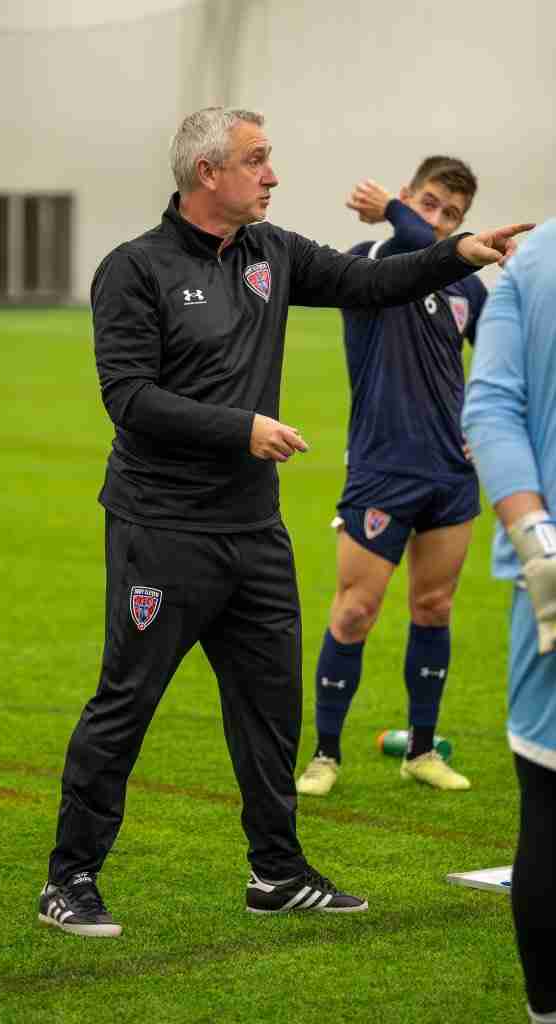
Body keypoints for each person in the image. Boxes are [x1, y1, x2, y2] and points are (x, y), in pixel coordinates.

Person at [37, 106, 529, 937]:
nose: (273, 175)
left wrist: (451, 255)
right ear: (208, 175)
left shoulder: (274, 253)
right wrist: (243, 428)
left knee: (270, 707)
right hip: (163, 529)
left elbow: (369, 282)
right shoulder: (135, 269)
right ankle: (69, 878)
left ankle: (276, 872)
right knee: (127, 701)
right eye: (258, 160)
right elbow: (129, 398)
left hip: (253, 533)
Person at [297, 157, 487, 798]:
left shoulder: (468, 286)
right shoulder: (367, 261)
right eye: (429, 204)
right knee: (355, 613)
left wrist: (481, 427)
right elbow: (414, 245)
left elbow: (498, 358)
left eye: (453, 215)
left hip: (449, 474)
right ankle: (325, 756)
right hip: (381, 468)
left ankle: (423, 751)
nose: (438, 222)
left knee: (434, 607)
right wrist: (407, 224)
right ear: (406, 198)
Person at [462, 218, 556, 1024]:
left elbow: (491, 410)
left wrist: (539, 545)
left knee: (551, 806)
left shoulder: (534, 262)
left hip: (549, 572)